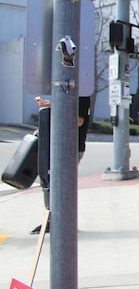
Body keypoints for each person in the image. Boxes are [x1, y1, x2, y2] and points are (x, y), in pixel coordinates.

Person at [30, 95, 91, 234]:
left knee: (60, 185)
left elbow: (78, 120)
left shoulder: (81, 94)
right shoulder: (64, 90)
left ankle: (60, 222)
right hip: (59, 147)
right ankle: (54, 220)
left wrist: (54, 111)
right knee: (50, 182)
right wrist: (49, 107)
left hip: (71, 148)